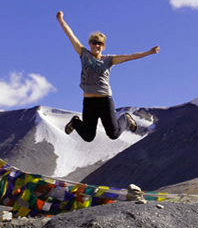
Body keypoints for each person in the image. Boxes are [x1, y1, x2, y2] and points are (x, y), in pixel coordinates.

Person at [56, 11, 159, 142]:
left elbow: (130, 57)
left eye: (99, 43)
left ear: (103, 46)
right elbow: (70, 36)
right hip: (89, 102)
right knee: (88, 137)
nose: (96, 45)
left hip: (105, 101)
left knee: (113, 134)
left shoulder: (109, 60)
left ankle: (126, 119)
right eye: (94, 42)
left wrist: (149, 52)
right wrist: (60, 20)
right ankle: (75, 121)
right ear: (90, 44)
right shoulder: (83, 54)